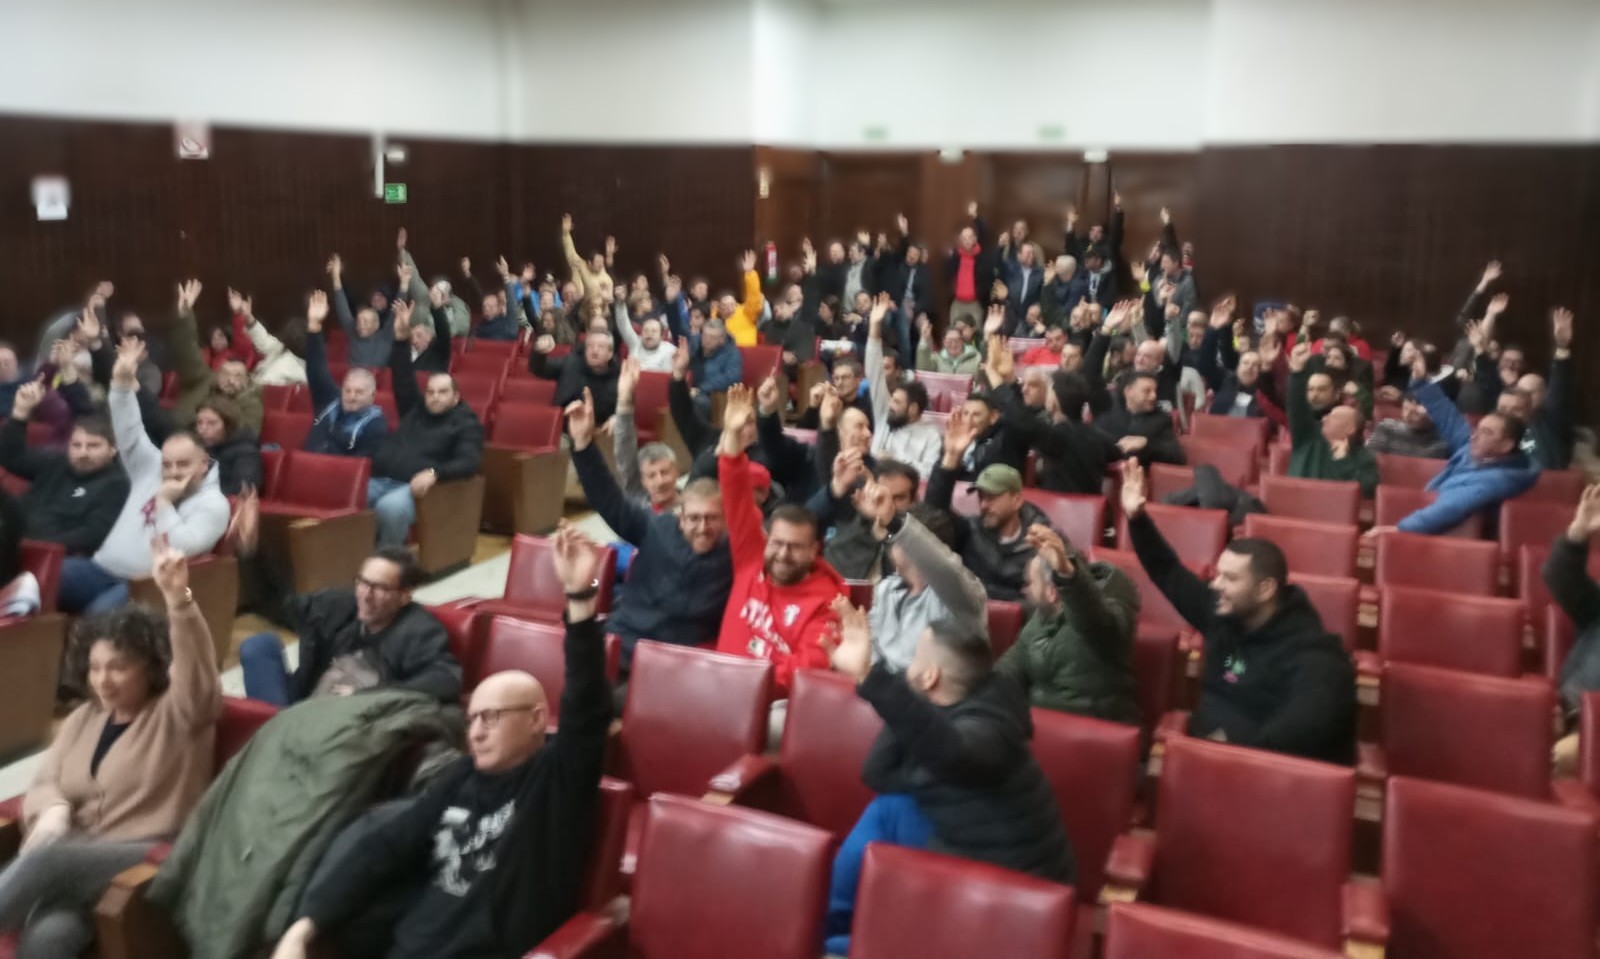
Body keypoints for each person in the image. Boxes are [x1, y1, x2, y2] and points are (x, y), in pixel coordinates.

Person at [270, 524, 612, 959]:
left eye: (491, 717)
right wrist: (305, 926)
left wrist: (580, 597)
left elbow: (586, 706)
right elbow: (390, 843)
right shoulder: (460, 777)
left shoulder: (556, 780)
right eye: (472, 719)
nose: (476, 732)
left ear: (536, 721)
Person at [820, 605, 1074, 955]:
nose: (908, 664)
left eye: (916, 657)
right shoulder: (955, 700)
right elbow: (878, 773)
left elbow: (953, 753)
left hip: (1012, 893)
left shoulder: (990, 730)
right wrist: (910, 689)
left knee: (867, 943)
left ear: (931, 676)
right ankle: (823, 925)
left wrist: (871, 676)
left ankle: (839, 941)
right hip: (969, 840)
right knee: (890, 807)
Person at [7, 539, 220, 957]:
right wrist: (53, 808)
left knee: (49, 859)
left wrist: (179, 599)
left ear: (151, 667)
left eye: (119, 668)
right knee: (49, 937)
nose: (103, 680)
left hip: (150, 858)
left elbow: (198, 673)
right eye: (96, 668)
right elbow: (46, 781)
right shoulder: (84, 718)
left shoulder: (181, 714)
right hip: (81, 866)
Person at [1122, 458, 1356, 763]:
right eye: (1218, 574)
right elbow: (1167, 570)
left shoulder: (1317, 662)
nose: (1216, 585)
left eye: (1230, 578)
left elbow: (1290, 743)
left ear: (1265, 589)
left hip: (1260, 776)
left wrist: (1226, 753)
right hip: (1206, 756)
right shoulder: (1224, 613)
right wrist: (1137, 519)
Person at [568, 387, 731, 674]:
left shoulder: (734, 551)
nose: (702, 527)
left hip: (671, 665)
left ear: (726, 520)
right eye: (694, 518)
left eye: (711, 518)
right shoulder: (656, 527)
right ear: (680, 518)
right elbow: (610, 502)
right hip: (622, 640)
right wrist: (583, 445)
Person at [61, 338, 229, 614]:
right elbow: (130, 432)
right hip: (100, 569)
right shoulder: (151, 469)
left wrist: (163, 503)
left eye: (183, 464)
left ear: (203, 464)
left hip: (146, 585)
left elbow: (183, 548)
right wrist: (120, 385)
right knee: (43, 579)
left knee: (98, 618)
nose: (172, 472)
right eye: (167, 464)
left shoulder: (214, 505)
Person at [715, 385, 845, 698]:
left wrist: (741, 684)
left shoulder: (829, 603)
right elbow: (735, 494)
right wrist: (732, 437)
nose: (783, 554)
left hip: (770, 704)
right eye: (777, 543)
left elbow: (804, 671)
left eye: (795, 547)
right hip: (716, 688)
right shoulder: (752, 558)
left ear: (814, 551)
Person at [238, 547, 461, 707]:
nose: (366, 595)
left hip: (351, 718)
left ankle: (274, 731)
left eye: (379, 588)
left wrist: (368, 695)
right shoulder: (336, 607)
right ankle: (276, 726)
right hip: (305, 700)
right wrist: (251, 551)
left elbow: (446, 680)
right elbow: (281, 604)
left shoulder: (419, 630)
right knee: (260, 645)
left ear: (404, 596)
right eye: (362, 582)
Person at [1371, 351, 1540, 536]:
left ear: (1506, 445)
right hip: (1427, 515)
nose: (1475, 436)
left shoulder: (1502, 478)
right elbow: (1449, 418)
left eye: (1486, 432)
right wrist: (1421, 383)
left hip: (1446, 534)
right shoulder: (1479, 449)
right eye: (1478, 429)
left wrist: (1400, 529)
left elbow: (1451, 506)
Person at [367, 302, 486, 548]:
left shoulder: (466, 423)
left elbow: (468, 462)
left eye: (442, 392)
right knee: (348, 496)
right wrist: (401, 339)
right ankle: (348, 560)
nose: (434, 397)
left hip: (420, 489)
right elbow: (402, 379)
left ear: (455, 397)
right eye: (430, 392)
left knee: (389, 508)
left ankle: (389, 560)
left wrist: (435, 473)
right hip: (382, 479)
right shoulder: (417, 409)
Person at [999, 525, 1141, 725]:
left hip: (1093, 732)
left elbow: (1094, 620)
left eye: (1030, 583)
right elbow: (1010, 668)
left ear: (1052, 592)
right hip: (1040, 727)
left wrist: (1066, 574)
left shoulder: (1107, 607)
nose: (1025, 591)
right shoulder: (1041, 617)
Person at [852, 485, 988, 672]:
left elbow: (943, 565)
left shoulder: (959, 593)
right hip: (885, 684)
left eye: (894, 536)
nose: (890, 541)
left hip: (939, 686)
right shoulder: (887, 588)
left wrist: (896, 523)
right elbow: (872, 652)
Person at [926, 420, 1052, 602]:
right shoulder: (971, 529)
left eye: (992, 497)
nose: (984, 505)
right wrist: (951, 459)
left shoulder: (1042, 537)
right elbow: (933, 515)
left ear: (1016, 500)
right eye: (981, 497)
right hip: (971, 613)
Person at [0, 383, 127, 556]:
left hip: (55, 555)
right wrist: (20, 413)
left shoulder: (117, 484)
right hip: (12, 540)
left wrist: (38, 546)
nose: (83, 453)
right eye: (76, 445)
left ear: (112, 449)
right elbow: (12, 458)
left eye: (93, 446)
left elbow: (92, 535)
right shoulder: (55, 463)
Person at [1546, 485, 1600, 774]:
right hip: (1574, 715)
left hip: (1589, 733)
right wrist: (1578, 533)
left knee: (1561, 757)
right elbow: (1562, 579)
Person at [301, 291, 389, 459]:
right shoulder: (330, 400)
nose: (351, 396)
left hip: (332, 472)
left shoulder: (375, 425)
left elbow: (359, 467)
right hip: (305, 464)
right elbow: (316, 369)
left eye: (359, 392)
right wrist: (314, 326)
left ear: (372, 397)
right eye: (347, 390)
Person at [168, 280, 264, 433]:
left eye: (238, 376)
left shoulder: (250, 402)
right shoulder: (202, 380)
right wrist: (185, 316)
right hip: (176, 434)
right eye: (226, 374)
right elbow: (187, 353)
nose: (231, 380)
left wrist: (239, 314)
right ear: (217, 375)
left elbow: (247, 434)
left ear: (246, 380)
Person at [1286, 341, 1378, 496]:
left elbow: (1367, 489)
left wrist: (1343, 461)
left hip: (1331, 509)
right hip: (1295, 503)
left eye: (1332, 417)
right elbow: (1297, 408)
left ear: (1350, 428)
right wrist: (1297, 372)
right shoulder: (1307, 436)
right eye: (1310, 389)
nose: (1324, 419)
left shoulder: (1362, 457)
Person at [528, 323, 620, 432]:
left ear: (610, 353)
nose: (594, 351)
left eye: (600, 347)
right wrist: (539, 353)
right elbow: (539, 369)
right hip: (564, 430)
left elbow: (627, 409)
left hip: (601, 432)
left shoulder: (620, 377)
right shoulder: (571, 363)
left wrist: (618, 418)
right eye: (590, 346)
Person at [1093, 372, 1185, 466]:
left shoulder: (1161, 420)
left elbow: (1176, 456)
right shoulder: (1107, 409)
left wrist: (1146, 445)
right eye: (1147, 391)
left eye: (1155, 391)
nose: (1153, 396)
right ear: (1128, 391)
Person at [193, 395, 264, 497]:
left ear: (228, 425)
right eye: (199, 423)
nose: (202, 429)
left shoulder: (246, 452)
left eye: (212, 423)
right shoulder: (197, 447)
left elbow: (243, 489)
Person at [944, 202, 1000, 332]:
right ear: (960, 240)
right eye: (964, 238)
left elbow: (985, 234)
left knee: (976, 334)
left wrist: (975, 217)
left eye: (970, 237)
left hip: (975, 304)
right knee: (954, 334)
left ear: (975, 239)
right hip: (957, 303)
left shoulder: (983, 256)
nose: (967, 240)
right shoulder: (954, 257)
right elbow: (946, 277)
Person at [1366, 394, 1449, 459]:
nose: (1407, 416)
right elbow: (1368, 463)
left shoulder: (1444, 441)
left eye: (1415, 412)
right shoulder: (1387, 428)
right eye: (1405, 409)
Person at [916, 321, 981, 375]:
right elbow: (923, 371)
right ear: (943, 342)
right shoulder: (937, 359)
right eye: (949, 341)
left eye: (957, 341)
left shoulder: (976, 358)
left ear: (962, 341)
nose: (953, 345)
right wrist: (924, 339)